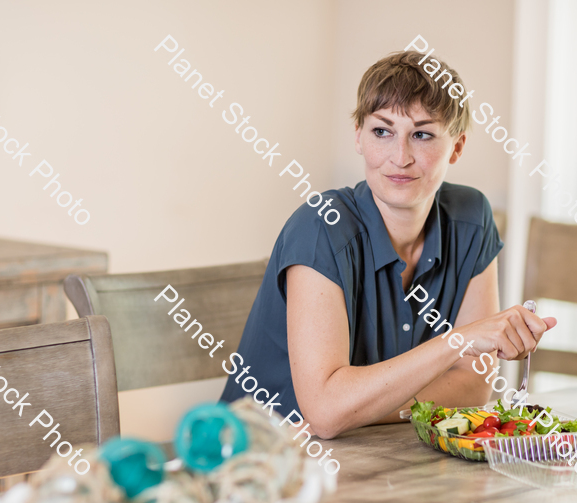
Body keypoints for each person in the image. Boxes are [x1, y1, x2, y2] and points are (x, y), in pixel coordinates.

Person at [220, 50, 556, 439]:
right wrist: (458, 342)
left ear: (457, 147)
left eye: (423, 134)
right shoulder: (319, 227)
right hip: (256, 465)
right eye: (382, 131)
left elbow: (474, 385)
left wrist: (358, 407)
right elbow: (327, 412)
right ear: (359, 137)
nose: (400, 157)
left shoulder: (471, 218)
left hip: (372, 457)